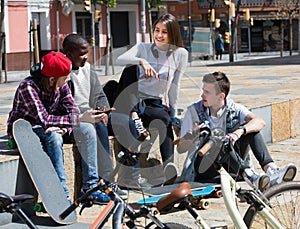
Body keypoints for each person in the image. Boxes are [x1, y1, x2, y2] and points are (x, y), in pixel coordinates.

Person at [174, 71, 297, 191]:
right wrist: (193, 135)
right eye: (203, 91)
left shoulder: (234, 109)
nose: (202, 96)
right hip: (205, 169)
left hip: (231, 166)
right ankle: (250, 177)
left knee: (252, 130)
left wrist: (239, 132)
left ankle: (271, 170)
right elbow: (181, 148)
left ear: (221, 96)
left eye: (207, 92)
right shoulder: (193, 112)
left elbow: (260, 122)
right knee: (221, 139)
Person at [62, 34, 148, 196]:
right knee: (99, 125)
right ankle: (107, 181)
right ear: (69, 53)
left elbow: (99, 94)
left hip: (95, 112)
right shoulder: (63, 73)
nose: (86, 57)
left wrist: (104, 108)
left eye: (87, 52)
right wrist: (90, 115)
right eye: (81, 54)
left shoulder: (88, 68)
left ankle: (132, 177)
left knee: (127, 122)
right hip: (76, 119)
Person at [116, 13, 188, 183]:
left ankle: (169, 168)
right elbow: (119, 59)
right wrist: (142, 61)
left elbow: (174, 86)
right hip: (130, 99)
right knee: (130, 68)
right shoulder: (143, 48)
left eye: (164, 32)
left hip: (152, 102)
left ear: (173, 34)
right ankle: (134, 117)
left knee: (164, 119)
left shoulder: (180, 54)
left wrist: (173, 113)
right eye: (157, 30)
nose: (159, 35)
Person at [7, 51, 80, 198]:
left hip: (47, 127)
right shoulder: (27, 86)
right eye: (65, 77)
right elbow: (44, 119)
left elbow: (74, 112)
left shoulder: (62, 85)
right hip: (25, 128)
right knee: (54, 137)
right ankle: (60, 192)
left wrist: (65, 129)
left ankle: (76, 190)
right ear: (52, 79)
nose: (68, 79)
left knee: (63, 134)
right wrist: (71, 121)